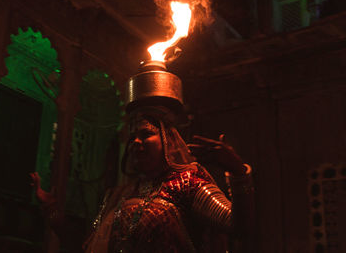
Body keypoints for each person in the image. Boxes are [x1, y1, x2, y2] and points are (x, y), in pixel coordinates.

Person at [31, 62, 254, 252]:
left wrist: (237, 172)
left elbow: (240, 226)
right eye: (133, 136)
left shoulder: (187, 182)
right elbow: (87, 247)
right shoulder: (120, 194)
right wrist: (52, 212)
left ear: (167, 139)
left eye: (146, 134)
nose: (136, 142)